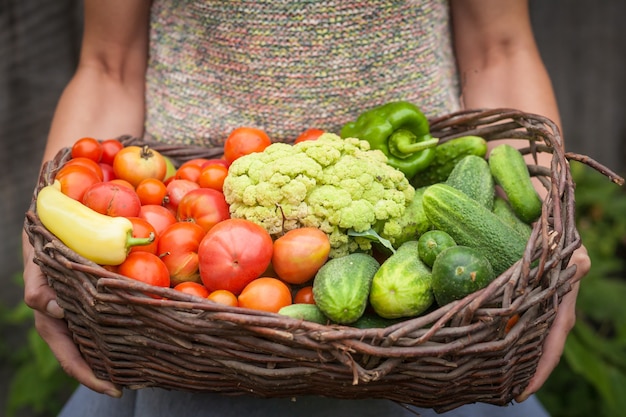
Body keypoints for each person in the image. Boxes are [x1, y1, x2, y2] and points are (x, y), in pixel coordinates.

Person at [22, 0, 590, 416]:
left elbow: (501, 50)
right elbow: (107, 66)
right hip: (180, 305)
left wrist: (545, 240)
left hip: (447, 330)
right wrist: (53, 227)